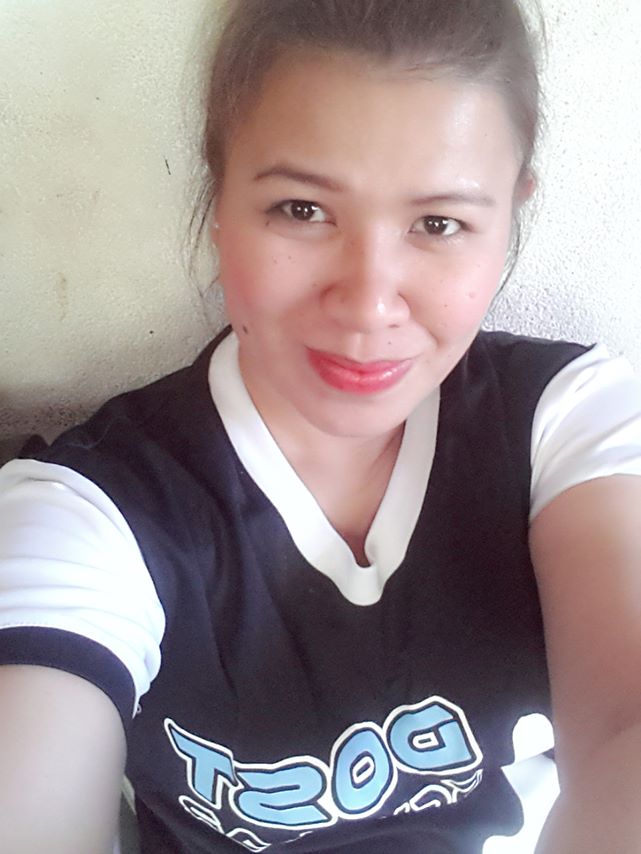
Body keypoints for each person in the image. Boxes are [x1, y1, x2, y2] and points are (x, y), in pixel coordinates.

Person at [1, 1, 641, 851]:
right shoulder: (93, 511)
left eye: (438, 224)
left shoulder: (566, 420)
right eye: (301, 209)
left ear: (511, 213)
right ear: (218, 196)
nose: (368, 303)